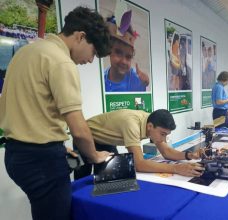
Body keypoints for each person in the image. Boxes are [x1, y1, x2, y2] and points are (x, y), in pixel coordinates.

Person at [0, 7, 112, 220]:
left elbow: (30, 107)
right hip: (41, 161)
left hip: (15, 155)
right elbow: (79, 130)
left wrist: (57, 144)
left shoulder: (26, 51)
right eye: (94, 52)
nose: (90, 61)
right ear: (80, 37)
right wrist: (96, 156)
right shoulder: (61, 61)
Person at [74, 109, 204, 180]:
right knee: (82, 180)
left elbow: (166, 152)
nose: (164, 138)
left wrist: (189, 155)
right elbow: (139, 164)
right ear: (149, 126)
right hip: (86, 137)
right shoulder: (132, 124)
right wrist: (177, 168)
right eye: (163, 134)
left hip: (106, 141)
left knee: (109, 180)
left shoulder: (153, 122)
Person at [104, 12, 149, 92]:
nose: (123, 61)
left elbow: (141, 103)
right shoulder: (101, 80)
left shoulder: (136, 80)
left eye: (128, 57)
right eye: (118, 52)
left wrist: (144, 84)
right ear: (109, 50)